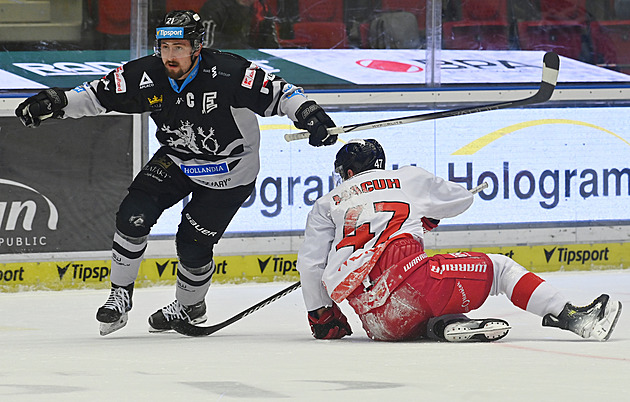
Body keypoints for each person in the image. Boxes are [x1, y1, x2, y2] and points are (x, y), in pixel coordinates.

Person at [15, 9, 337, 336]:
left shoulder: (228, 72)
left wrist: (308, 113)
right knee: (131, 216)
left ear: (197, 46)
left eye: (179, 48)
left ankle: (189, 307)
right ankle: (120, 295)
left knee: (191, 244)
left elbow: (281, 93)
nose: (170, 56)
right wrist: (55, 102)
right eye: (164, 48)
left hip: (229, 172)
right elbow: (97, 96)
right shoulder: (148, 74)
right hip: (178, 159)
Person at [296, 139, 622, 342]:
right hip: (418, 285)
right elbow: (459, 200)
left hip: (378, 323)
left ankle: (438, 327)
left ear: (348, 173)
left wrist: (322, 316)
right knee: (500, 268)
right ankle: (572, 317)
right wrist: (431, 213)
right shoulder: (406, 178)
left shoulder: (327, 203)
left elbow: (311, 266)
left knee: (411, 306)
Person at [200, 0, 279, 49]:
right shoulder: (214, 8)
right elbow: (208, 45)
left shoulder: (261, 9)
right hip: (224, 60)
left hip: (256, 60)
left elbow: (272, 45)